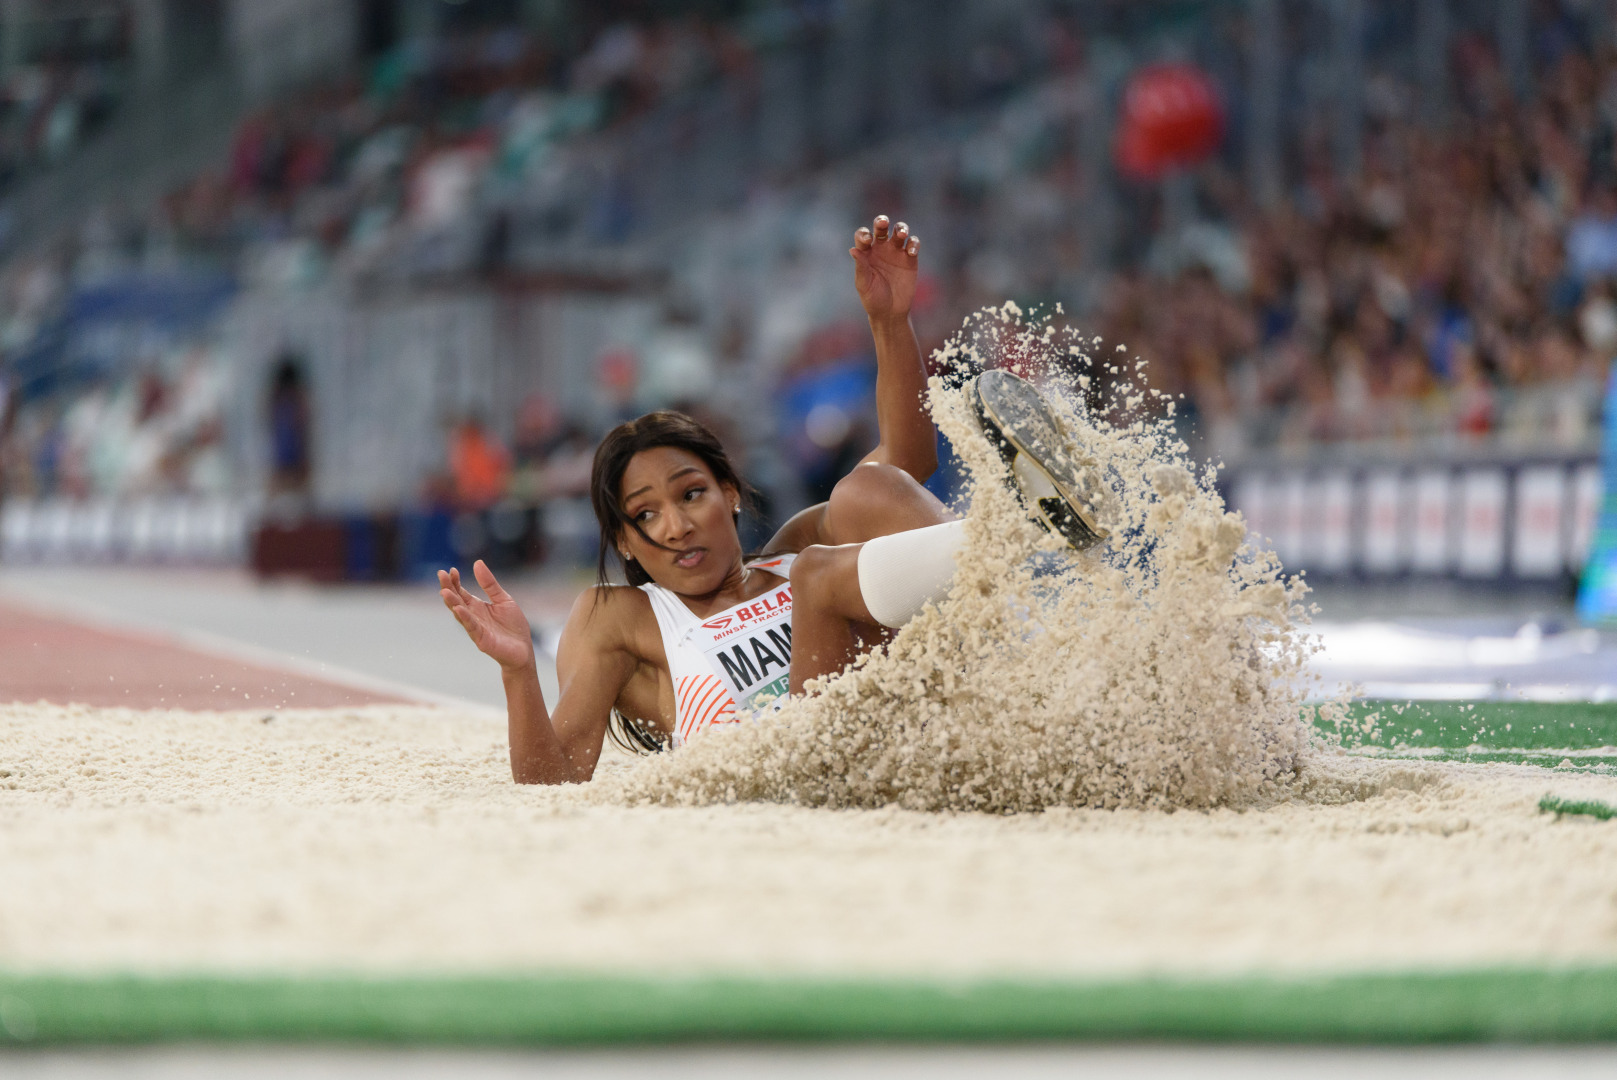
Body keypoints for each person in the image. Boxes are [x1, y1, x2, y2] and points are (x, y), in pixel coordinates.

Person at [439, 216, 1102, 784]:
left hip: (915, 733)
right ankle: (1022, 526)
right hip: (801, 772)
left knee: (862, 493)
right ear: (622, 541)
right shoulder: (622, 618)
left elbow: (909, 464)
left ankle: (1034, 651)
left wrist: (889, 322)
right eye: (643, 515)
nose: (674, 525)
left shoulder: (789, 556)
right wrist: (520, 672)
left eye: (691, 494)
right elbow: (554, 778)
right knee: (819, 572)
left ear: (729, 494)